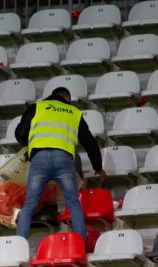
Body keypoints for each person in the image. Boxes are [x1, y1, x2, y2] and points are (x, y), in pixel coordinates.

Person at [14, 87, 106, 242]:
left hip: (39, 159)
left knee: (29, 205)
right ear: (67, 98)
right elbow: (90, 142)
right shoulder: (74, 112)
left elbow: (20, 134)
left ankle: (18, 245)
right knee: (73, 202)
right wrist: (98, 167)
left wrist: (31, 142)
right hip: (62, 159)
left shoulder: (38, 107)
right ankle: (80, 244)